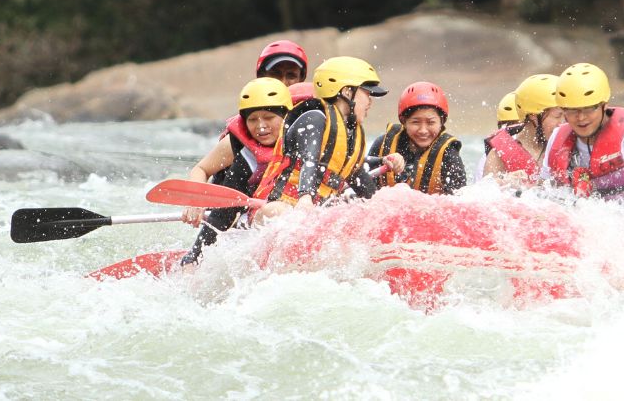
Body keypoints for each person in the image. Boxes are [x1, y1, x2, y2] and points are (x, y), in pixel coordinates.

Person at [253, 56, 404, 217]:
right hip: (276, 206)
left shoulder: (350, 134)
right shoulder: (314, 119)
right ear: (347, 91)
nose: (370, 101)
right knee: (286, 213)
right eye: (367, 93)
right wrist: (305, 197)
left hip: (313, 213)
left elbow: (358, 177)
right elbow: (309, 160)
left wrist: (382, 211)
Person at [179, 77, 293, 265]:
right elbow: (201, 169)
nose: (261, 126)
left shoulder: (303, 137)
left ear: (286, 116)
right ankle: (194, 259)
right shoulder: (236, 143)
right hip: (236, 210)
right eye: (253, 119)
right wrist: (195, 200)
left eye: (269, 117)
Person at [540, 62, 624, 213]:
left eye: (588, 108)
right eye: (572, 110)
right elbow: (544, 193)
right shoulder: (557, 138)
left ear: (604, 105)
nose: (580, 117)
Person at [369, 81, 467, 194]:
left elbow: (459, 202)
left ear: (442, 122)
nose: (423, 130)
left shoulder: (448, 154)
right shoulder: (382, 144)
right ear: (404, 122)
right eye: (415, 122)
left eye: (431, 123)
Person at [481, 74, 565, 184]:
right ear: (533, 116)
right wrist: (505, 182)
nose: (562, 123)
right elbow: (484, 194)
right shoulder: (498, 156)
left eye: (566, 115)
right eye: (558, 116)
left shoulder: (570, 147)